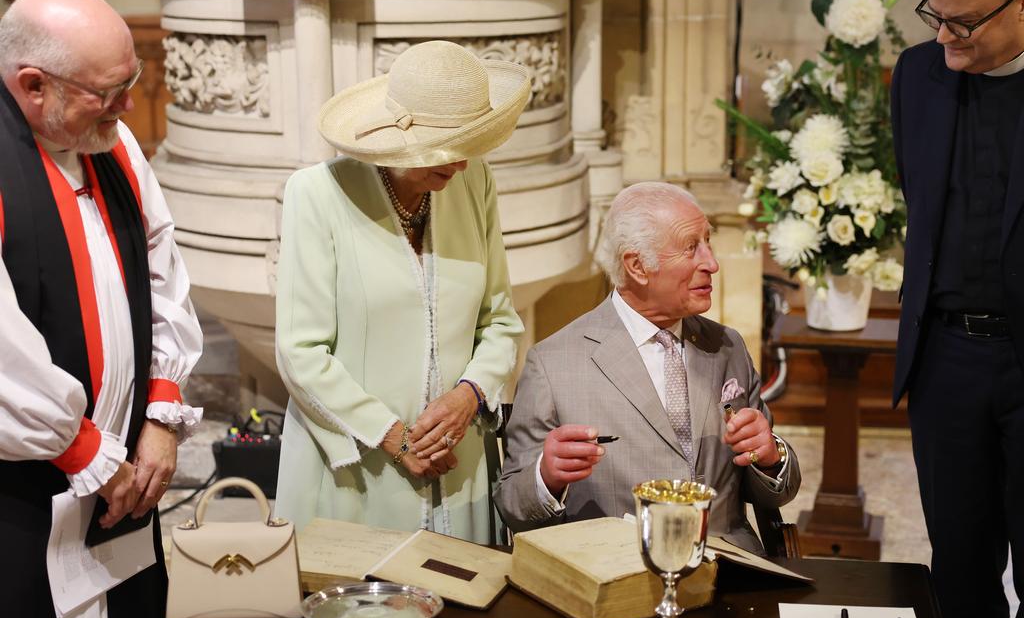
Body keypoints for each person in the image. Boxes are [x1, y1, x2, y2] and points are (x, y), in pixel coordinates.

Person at [0, 0, 203, 618]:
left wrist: (160, 415)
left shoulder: (104, 141)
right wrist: (86, 452)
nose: (127, 110)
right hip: (26, 490)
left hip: (125, 479)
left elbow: (161, 261)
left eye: (131, 86)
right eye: (107, 93)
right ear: (32, 85)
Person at [274, 40, 528, 544]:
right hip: (358, 468)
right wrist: (396, 439)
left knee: (466, 614)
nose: (459, 165)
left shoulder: (474, 181)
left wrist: (469, 394)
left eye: (469, 145)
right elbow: (300, 351)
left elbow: (500, 322)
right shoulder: (316, 194)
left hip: (460, 464)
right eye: (446, 148)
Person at [494, 182, 800, 555]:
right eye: (691, 248)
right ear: (637, 266)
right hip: (617, 573)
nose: (712, 263)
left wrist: (769, 456)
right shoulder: (554, 363)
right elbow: (513, 506)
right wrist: (547, 478)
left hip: (729, 570)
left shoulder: (728, 346)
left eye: (708, 241)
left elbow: (776, 490)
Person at [891, 0, 1024, 618]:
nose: (945, 39)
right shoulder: (917, 77)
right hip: (946, 358)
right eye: (935, 18)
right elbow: (922, 201)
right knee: (961, 573)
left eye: (964, 25)